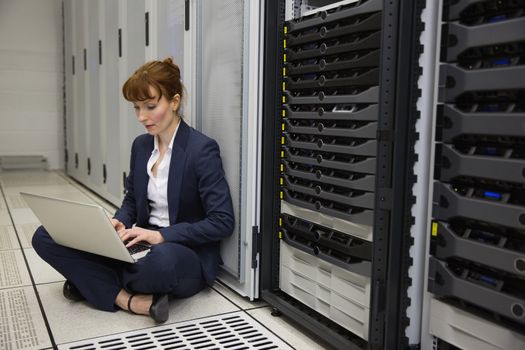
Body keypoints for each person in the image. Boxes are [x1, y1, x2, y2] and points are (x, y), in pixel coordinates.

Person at [32, 58, 235, 323]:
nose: (142, 117)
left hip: (179, 251)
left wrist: (161, 236)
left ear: (174, 102)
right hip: (139, 245)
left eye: (150, 106)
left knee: (160, 264)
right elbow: (132, 199)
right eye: (137, 108)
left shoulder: (201, 150)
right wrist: (119, 221)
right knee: (45, 235)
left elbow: (222, 222)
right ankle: (127, 298)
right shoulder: (141, 146)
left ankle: (91, 282)